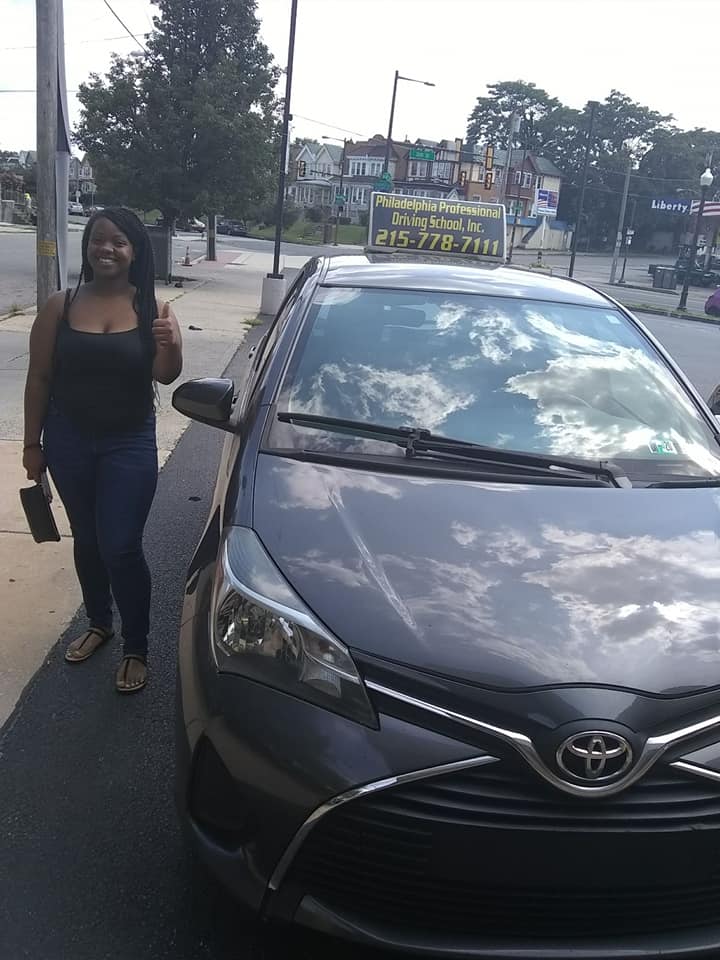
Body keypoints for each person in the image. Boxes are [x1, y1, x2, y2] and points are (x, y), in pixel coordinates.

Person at [22, 207, 183, 693]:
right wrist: (32, 444)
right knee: (87, 540)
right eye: (98, 240)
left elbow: (166, 375)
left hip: (128, 442)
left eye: (118, 241)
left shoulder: (153, 308)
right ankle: (99, 621)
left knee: (120, 545)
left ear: (134, 251)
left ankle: (136, 644)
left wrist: (173, 343)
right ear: (87, 247)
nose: (106, 248)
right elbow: (39, 378)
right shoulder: (60, 305)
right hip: (67, 440)